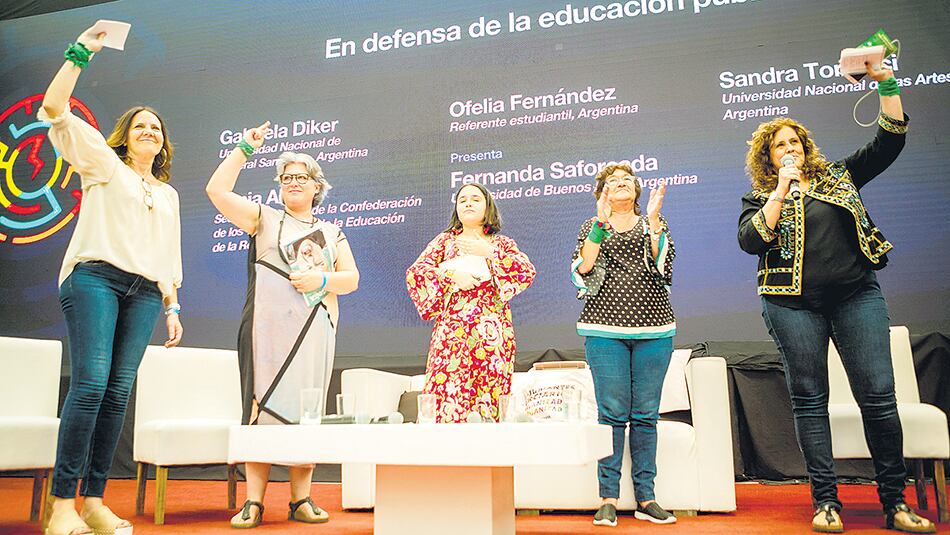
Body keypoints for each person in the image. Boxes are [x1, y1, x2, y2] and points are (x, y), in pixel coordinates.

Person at [738, 63, 935, 534]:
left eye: (795, 142)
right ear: (768, 158)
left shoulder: (839, 176)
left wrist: (886, 83)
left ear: (806, 148)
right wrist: (781, 190)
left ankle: (895, 502)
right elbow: (751, 240)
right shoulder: (760, 198)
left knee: (879, 398)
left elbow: (890, 140)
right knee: (809, 400)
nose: (789, 149)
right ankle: (826, 502)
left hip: (855, 296)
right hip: (791, 305)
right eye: (779, 145)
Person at [40, 25, 184, 535]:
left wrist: (172, 306)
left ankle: (95, 501)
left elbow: (167, 256)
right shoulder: (103, 162)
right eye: (140, 125)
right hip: (95, 280)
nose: (149, 131)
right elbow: (55, 108)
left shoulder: (167, 194)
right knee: (90, 386)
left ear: (163, 143)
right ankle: (61, 505)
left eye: (156, 128)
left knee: (119, 393)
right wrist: (82, 52)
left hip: (145, 293)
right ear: (126, 134)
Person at [206, 124, 359, 528]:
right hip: (266, 331)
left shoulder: (332, 232)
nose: (293, 182)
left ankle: (301, 499)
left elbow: (351, 280)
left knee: (307, 411)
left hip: (314, 331)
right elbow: (216, 191)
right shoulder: (264, 218)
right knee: (260, 409)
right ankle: (253, 501)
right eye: (286, 177)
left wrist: (320, 279)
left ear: (316, 186)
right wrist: (243, 147)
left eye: (301, 177)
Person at [570, 163, 676, 527]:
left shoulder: (652, 223)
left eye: (626, 180)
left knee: (645, 415)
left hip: (654, 330)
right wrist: (600, 225)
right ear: (602, 192)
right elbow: (584, 267)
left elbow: (663, 265)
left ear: (636, 190)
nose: (620, 184)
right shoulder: (592, 225)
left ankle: (647, 498)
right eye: (612, 181)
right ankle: (608, 499)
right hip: (604, 330)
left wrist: (654, 220)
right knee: (612, 414)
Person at [406, 183, 535, 423]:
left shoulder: (501, 244)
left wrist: (489, 252)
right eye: (462, 199)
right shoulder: (444, 242)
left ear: (488, 207)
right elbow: (416, 273)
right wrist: (451, 275)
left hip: (491, 335)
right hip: (451, 336)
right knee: (447, 392)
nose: (468, 203)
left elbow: (526, 272)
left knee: (489, 394)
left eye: (475, 199)